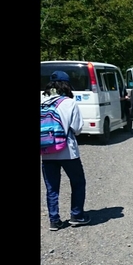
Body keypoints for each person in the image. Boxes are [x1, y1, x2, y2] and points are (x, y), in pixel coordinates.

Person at [41, 71, 91, 230]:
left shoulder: (42, 101)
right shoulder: (70, 103)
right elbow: (76, 129)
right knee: (78, 182)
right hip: (68, 151)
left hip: (47, 151)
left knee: (51, 187)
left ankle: (54, 220)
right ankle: (77, 215)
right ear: (67, 85)